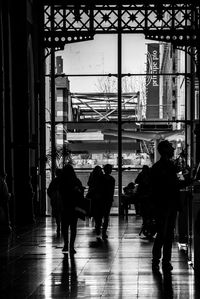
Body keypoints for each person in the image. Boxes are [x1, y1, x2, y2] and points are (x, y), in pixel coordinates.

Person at [151, 140, 181, 272]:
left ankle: (156, 261)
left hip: (161, 205)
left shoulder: (157, 167)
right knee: (167, 235)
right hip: (168, 204)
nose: (173, 149)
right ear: (165, 151)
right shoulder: (170, 167)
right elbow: (175, 185)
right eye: (170, 147)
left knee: (162, 234)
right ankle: (165, 262)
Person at [59, 163, 84, 255]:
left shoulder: (62, 181)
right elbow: (81, 192)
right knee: (73, 227)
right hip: (74, 206)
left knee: (64, 227)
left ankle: (66, 244)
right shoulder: (76, 181)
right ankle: (72, 246)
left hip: (65, 206)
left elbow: (59, 192)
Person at [95, 164, 115, 240]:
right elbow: (111, 191)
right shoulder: (112, 179)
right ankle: (104, 232)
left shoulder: (100, 178)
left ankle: (98, 227)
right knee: (106, 216)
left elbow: (97, 188)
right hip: (108, 199)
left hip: (100, 199)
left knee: (99, 215)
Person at [47, 168, 62, 237]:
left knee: (56, 214)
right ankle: (61, 225)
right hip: (62, 200)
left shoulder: (54, 181)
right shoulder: (64, 181)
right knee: (62, 213)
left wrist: (52, 197)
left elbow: (49, 190)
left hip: (55, 200)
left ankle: (58, 225)